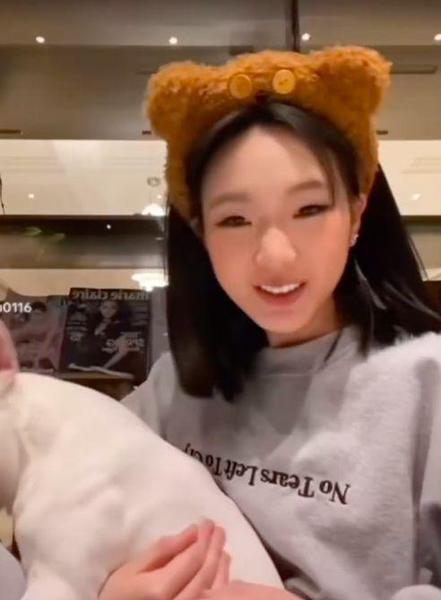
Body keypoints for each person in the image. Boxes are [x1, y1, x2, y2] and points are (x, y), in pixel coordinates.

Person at [98, 45, 441, 600]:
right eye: (235, 219)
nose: (275, 256)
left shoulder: (427, 383)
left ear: (356, 213)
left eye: (309, 209)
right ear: (200, 232)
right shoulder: (174, 388)